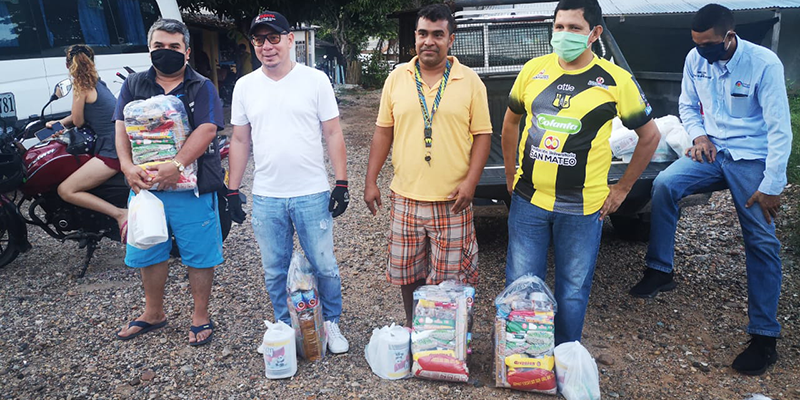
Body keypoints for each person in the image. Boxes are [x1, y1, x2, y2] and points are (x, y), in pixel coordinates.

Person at [629, 4, 792, 375]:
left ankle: (765, 337)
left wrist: (772, 185)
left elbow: (780, 129)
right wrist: (699, 135)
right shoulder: (694, 58)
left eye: (709, 46)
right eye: (697, 44)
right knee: (666, 185)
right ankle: (660, 270)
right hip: (712, 151)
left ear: (729, 37)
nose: (702, 52)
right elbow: (688, 105)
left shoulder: (764, 64)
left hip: (751, 157)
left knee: (761, 240)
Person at [502, 0, 660, 346]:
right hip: (529, 202)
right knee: (520, 283)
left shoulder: (616, 80)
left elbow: (650, 137)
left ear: (594, 33)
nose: (564, 35)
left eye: (574, 28)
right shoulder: (533, 70)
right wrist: (511, 171)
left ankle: (564, 355)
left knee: (572, 290)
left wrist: (622, 189)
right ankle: (522, 358)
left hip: (584, 207)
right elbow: (511, 121)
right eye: (559, 27)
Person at [226, 10, 351, 354]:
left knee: (324, 264)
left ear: (290, 39)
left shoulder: (315, 80)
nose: (267, 46)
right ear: (253, 44)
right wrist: (231, 189)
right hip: (267, 196)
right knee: (274, 269)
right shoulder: (245, 86)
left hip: (311, 192)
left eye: (274, 37)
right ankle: (286, 326)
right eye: (259, 39)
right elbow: (239, 141)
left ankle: (331, 323)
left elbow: (332, 131)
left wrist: (341, 182)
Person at [364, 4, 492, 328]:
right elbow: (383, 132)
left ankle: (445, 336)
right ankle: (413, 329)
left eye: (437, 34)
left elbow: (482, 136)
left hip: (453, 199)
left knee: (450, 276)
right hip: (405, 195)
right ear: (415, 37)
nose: (429, 41)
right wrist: (371, 181)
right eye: (423, 34)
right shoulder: (396, 78)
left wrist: (471, 183)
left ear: (451, 39)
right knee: (409, 272)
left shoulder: (471, 81)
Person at [113, 19, 225, 346]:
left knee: (199, 252)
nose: (166, 53)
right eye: (159, 46)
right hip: (145, 186)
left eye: (174, 47)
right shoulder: (133, 84)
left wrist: (177, 165)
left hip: (191, 186)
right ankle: (153, 313)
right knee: (148, 248)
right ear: (149, 49)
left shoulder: (201, 86)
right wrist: (126, 167)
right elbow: (120, 126)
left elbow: (207, 129)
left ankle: (200, 314)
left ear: (187, 52)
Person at [46, 45, 126, 239]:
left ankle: (120, 214)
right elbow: (81, 115)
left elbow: (79, 121)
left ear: (68, 64)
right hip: (119, 141)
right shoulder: (99, 83)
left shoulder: (81, 86)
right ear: (92, 61)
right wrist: (57, 124)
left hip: (112, 149)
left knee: (65, 190)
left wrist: (59, 127)